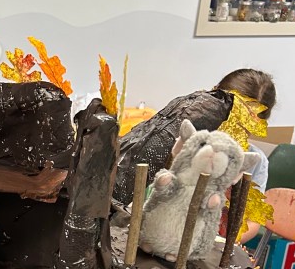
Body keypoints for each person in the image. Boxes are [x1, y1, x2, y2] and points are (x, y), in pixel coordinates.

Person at [113, 68, 276, 206]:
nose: (231, 135)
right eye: (231, 123)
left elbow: (250, 224)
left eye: (243, 130)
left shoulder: (254, 161)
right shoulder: (179, 143)